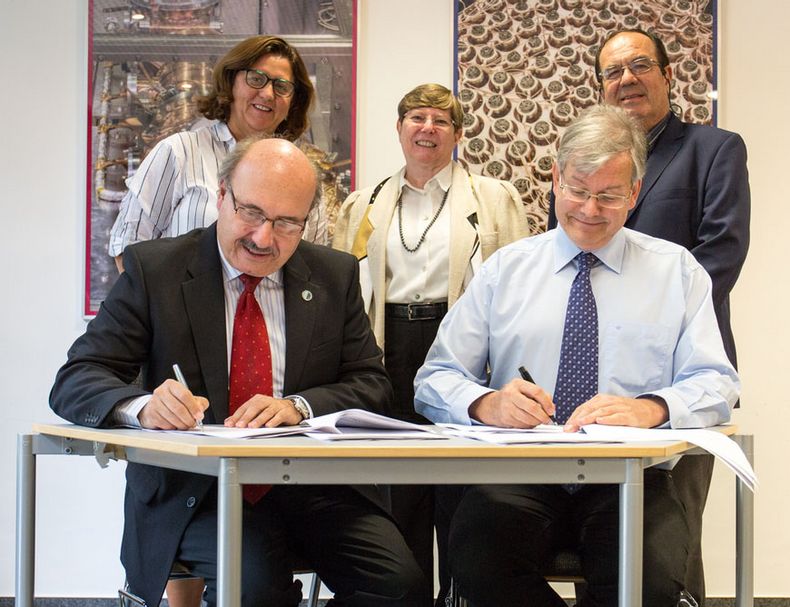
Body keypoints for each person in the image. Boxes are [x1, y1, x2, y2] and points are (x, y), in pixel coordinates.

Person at [50, 137, 429, 607]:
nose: (264, 238)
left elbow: (371, 384)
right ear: (222, 195)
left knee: (400, 587)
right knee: (254, 587)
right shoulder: (158, 270)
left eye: (287, 222)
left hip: (311, 486)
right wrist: (144, 407)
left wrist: (299, 407)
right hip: (199, 489)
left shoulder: (333, 275)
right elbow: (77, 377)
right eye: (251, 212)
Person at [415, 105, 740, 607]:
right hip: (522, 473)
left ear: (634, 193)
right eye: (578, 191)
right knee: (479, 559)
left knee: (649, 580)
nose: (590, 209)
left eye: (609, 196)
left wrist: (650, 408)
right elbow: (434, 377)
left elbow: (717, 382)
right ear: (555, 178)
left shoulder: (676, 271)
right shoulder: (507, 270)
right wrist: (485, 405)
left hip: (631, 475)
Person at [546, 28, 751, 603]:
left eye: (640, 65)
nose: (627, 79)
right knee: (597, 532)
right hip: (587, 375)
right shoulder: (584, 160)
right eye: (613, 71)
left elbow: (722, 254)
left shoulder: (714, 149)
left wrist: (645, 303)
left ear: (667, 74)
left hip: (677, 375)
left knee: (669, 540)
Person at [333, 83, 528, 600]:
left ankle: (461, 591)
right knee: (398, 482)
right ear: (399, 129)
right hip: (387, 347)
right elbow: (342, 293)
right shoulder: (363, 203)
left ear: (458, 134)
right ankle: (409, 592)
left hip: (461, 350)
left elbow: (521, 289)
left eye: (441, 121)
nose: (428, 128)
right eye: (416, 118)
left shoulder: (495, 199)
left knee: (462, 480)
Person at [109, 35, 327, 274]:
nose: (267, 93)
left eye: (282, 86)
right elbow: (128, 250)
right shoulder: (179, 153)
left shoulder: (304, 177)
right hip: (182, 310)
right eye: (256, 79)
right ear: (231, 82)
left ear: (293, 103)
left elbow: (312, 269)